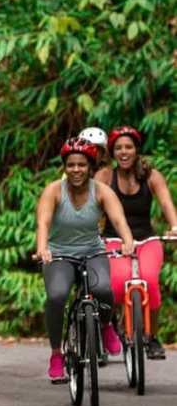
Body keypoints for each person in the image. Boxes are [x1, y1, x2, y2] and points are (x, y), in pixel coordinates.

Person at [35, 137, 134, 382]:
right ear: (64, 167)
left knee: (103, 290)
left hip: (92, 251)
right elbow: (43, 222)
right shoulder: (54, 191)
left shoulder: (101, 191)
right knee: (57, 296)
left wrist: (127, 241)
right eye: (71, 165)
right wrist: (42, 248)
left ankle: (105, 326)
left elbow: (119, 220)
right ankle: (57, 354)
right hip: (59, 254)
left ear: (90, 167)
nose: (76, 170)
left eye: (81, 165)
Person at [99, 126, 177, 359]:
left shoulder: (151, 176)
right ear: (112, 152)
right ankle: (109, 329)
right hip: (114, 240)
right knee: (114, 285)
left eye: (129, 147)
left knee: (150, 283)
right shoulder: (104, 176)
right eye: (119, 148)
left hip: (147, 240)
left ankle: (151, 336)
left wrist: (174, 226)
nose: (124, 152)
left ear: (136, 150)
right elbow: (93, 206)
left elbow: (166, 204)